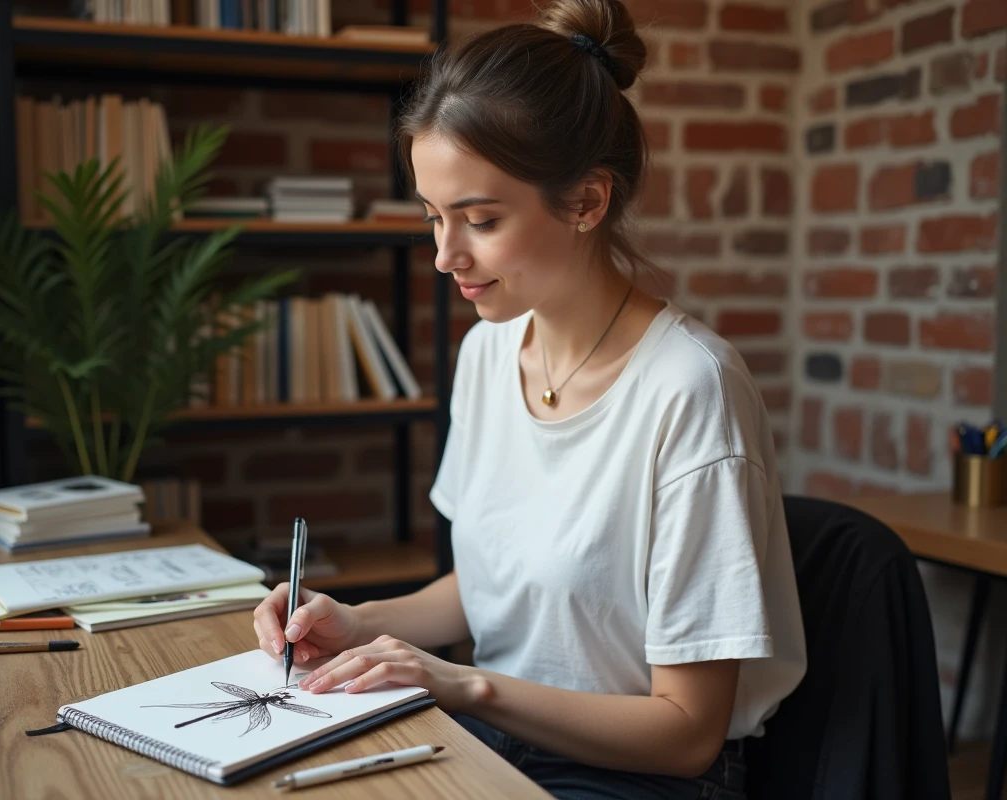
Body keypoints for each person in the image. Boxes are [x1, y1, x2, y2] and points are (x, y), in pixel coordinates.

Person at [252, 1, 807, 797]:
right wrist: (357, 621)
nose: (445, 255)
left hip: (638, 777)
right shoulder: (488, 352)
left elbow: (687, 734)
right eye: (434, 217)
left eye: (479, 220)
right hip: (500, 741)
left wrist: (463, 686)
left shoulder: (692, 390)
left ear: (586, 202)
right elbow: (492, 588)